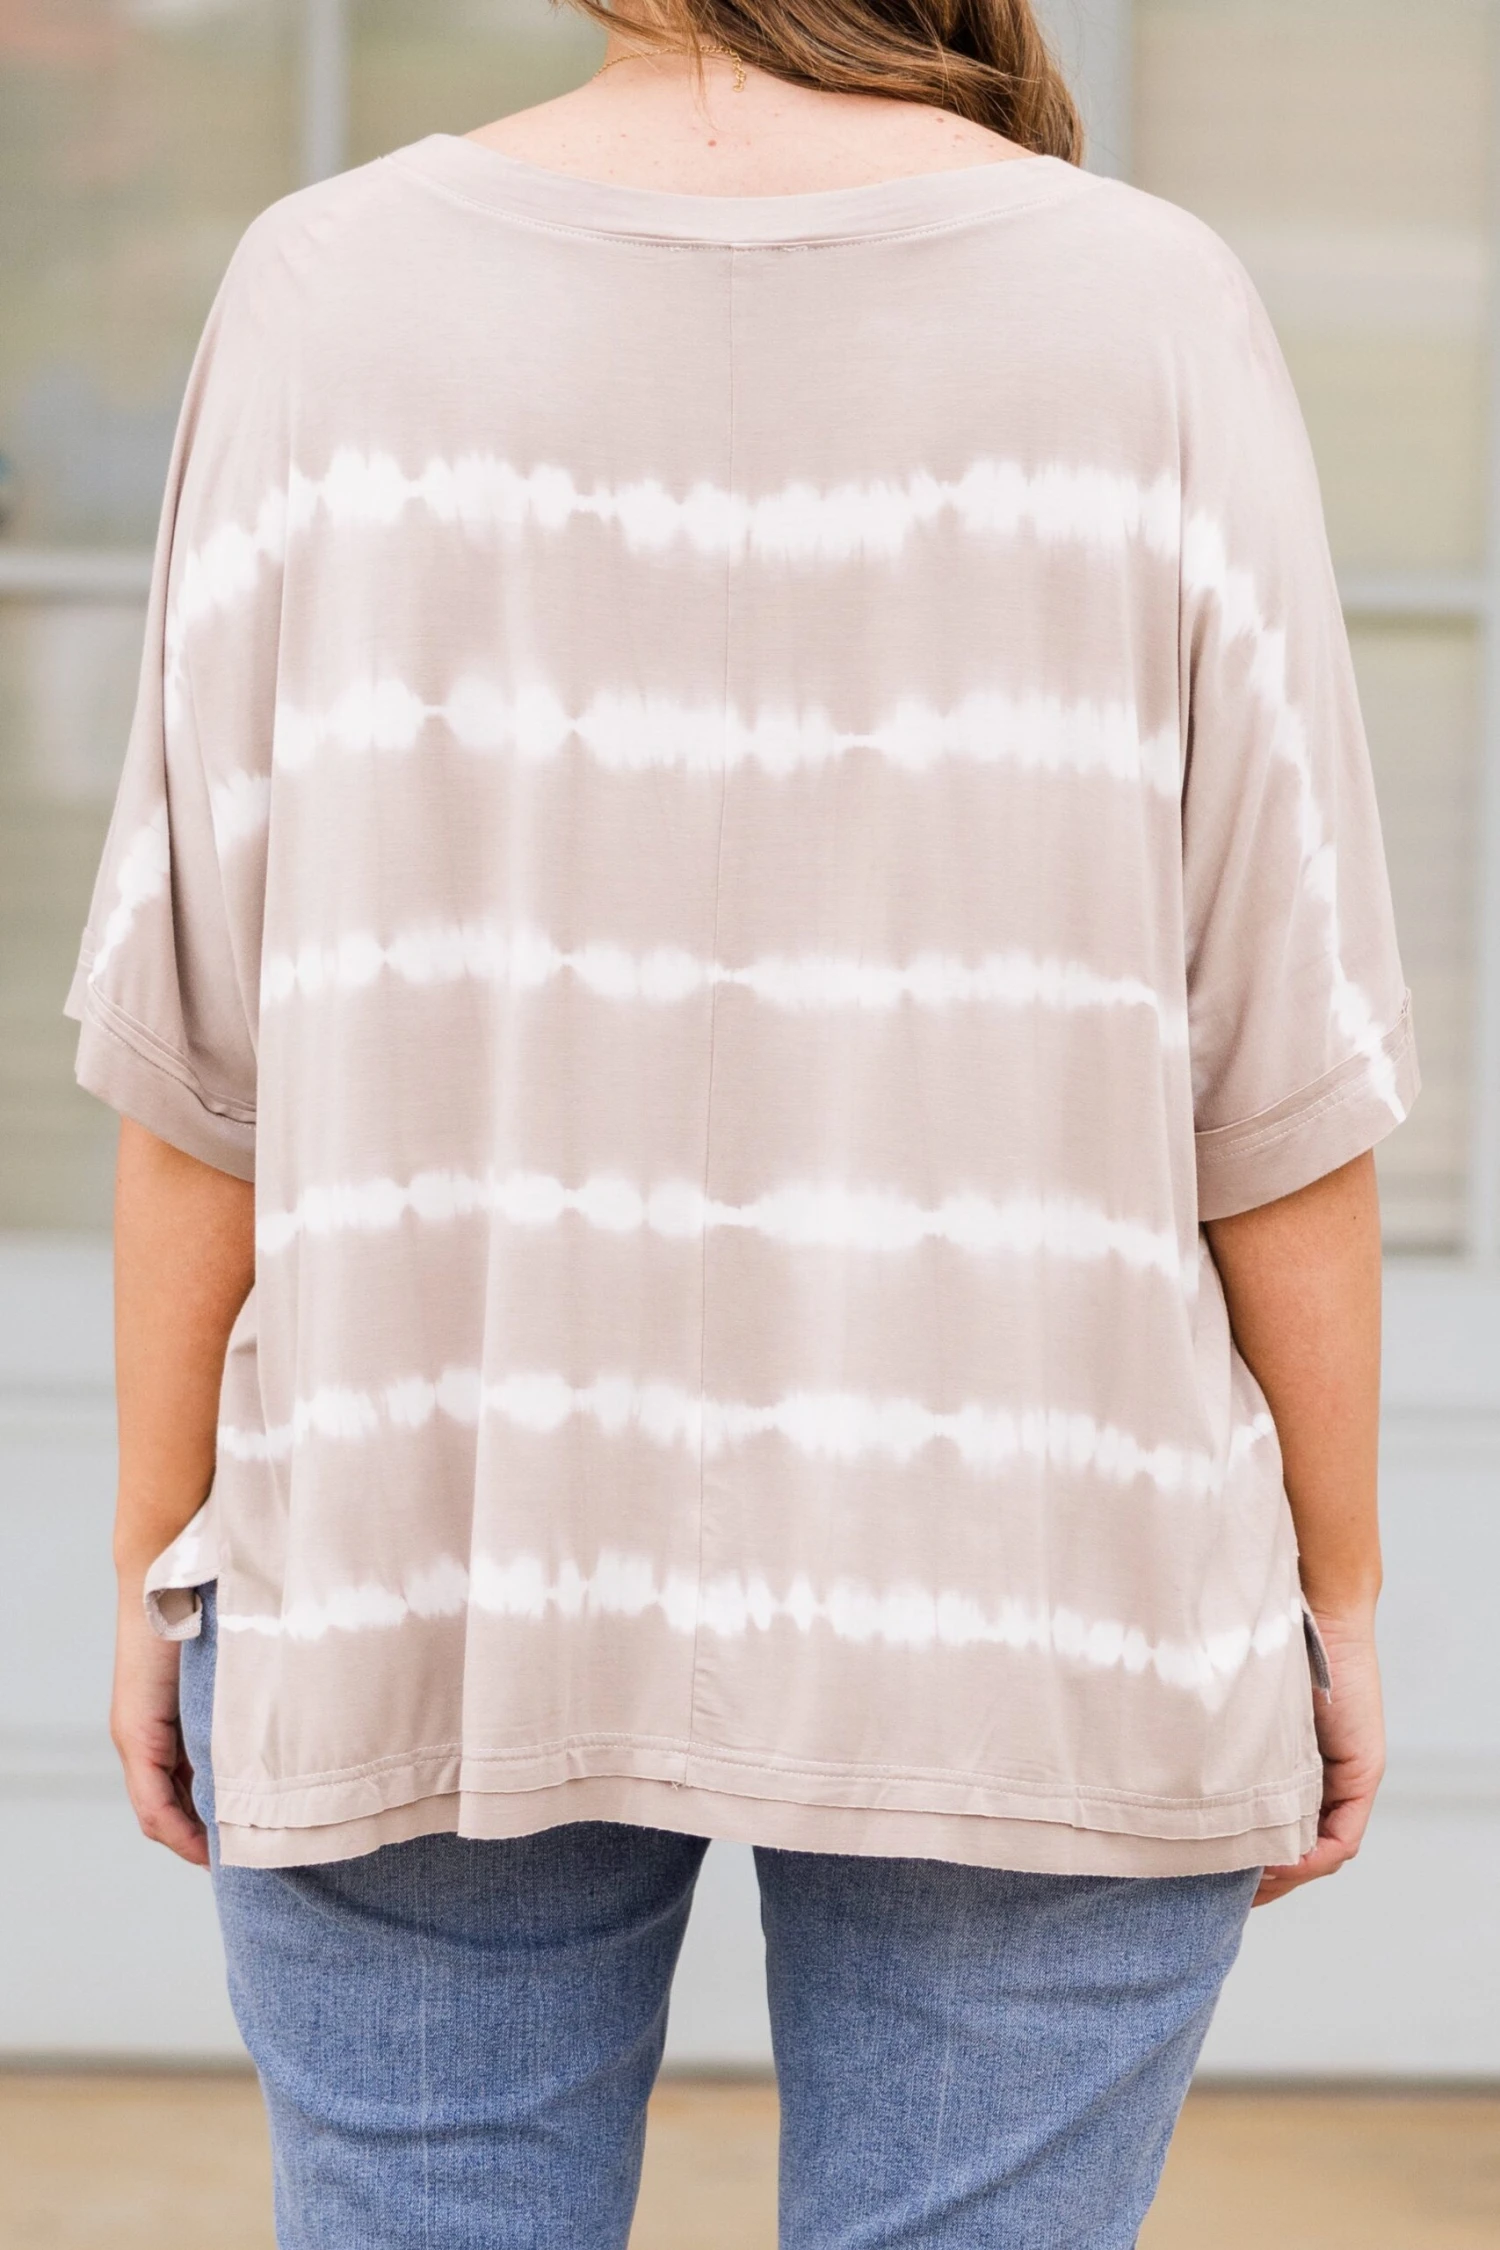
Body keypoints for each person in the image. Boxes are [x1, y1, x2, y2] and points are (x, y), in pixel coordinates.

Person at [69, 1, 1418, 2241]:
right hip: (1030, 1573)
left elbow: (199, 1049)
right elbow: (1278, 1061)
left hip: (433, 1535)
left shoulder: (327, 292)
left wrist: (155, 1551)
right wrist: (1341, 1590)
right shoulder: (1148, 308)